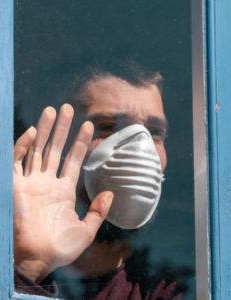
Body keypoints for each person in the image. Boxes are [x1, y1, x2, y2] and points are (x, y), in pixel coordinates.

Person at [13, 61, 182, 299]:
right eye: (109, 127)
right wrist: (30, 268)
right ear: (59, 141)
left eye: (154, 132)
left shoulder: (165, 288)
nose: (141, 150)